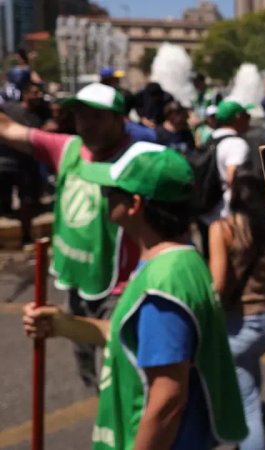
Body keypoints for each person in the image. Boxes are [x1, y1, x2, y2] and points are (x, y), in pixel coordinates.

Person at [22, 147, 247, 449]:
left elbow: (167, 398)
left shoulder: (163, 284)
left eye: (110, 190)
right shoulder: (178, 261)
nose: (102, 195)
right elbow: (127, 336)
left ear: (134, 205)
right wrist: (62, 325)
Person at [0, 83, 142, 388]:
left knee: (119, 368)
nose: (86, 123)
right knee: (86, 362)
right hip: (76, 280)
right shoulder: (67, 148)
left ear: (120, 119)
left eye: (97, 116)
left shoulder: (138, 162)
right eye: (81, 115)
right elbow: (8, 129)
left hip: (118, 287)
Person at [209, 167, 265, 450]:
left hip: (238, 323)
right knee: (249, 377)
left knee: (248, 404)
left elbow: (217, 284)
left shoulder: (223, 228)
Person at [197, 99, 253, 254]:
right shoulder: (236, 144)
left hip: (206, 213)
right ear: (237, 117)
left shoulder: (210, 138)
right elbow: (232, 177)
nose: (249, 118)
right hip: (227, 216)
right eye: (246, 115)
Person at [0, 82, 46, 246]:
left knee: (27, 202)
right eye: (34, 92)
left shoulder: (37, 116)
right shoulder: (10, 109)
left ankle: (26, 237)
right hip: (5, 164)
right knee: (3, 204)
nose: (38, 96)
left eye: (39, 92)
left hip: (26, 166)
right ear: (25, 94)